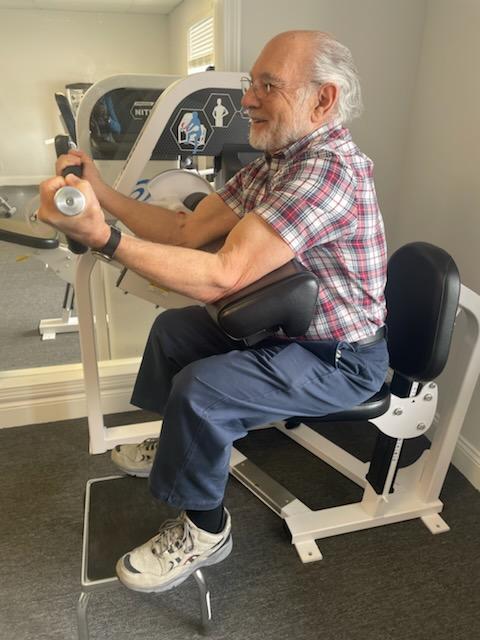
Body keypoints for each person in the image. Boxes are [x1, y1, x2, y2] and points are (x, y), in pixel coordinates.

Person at [38, 30, 389, 594]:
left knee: (205, 390)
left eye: (267, 85)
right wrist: (99, 193)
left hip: (341, 359)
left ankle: (205, 531)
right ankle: (177, 444)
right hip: (291, 330)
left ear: (322, 100)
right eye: (252, 82)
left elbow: (225, 274)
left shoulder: (328, 172)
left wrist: (104, 240)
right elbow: (186, 228)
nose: (248, 98)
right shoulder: (277, 161)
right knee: (175, 332)